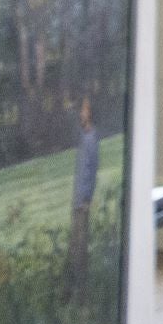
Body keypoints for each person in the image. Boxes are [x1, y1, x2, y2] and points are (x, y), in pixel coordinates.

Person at [68, 96, 98, 292]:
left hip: (82, 202)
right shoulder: (83, 136)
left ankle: (81, 289)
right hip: (76, 200)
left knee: (79, 247)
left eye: (84, 110)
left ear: (91, 113)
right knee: (74, 245)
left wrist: (86, 198)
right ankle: (72, 287)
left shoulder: (91, 139)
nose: (81, 113)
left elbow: (92, 170)